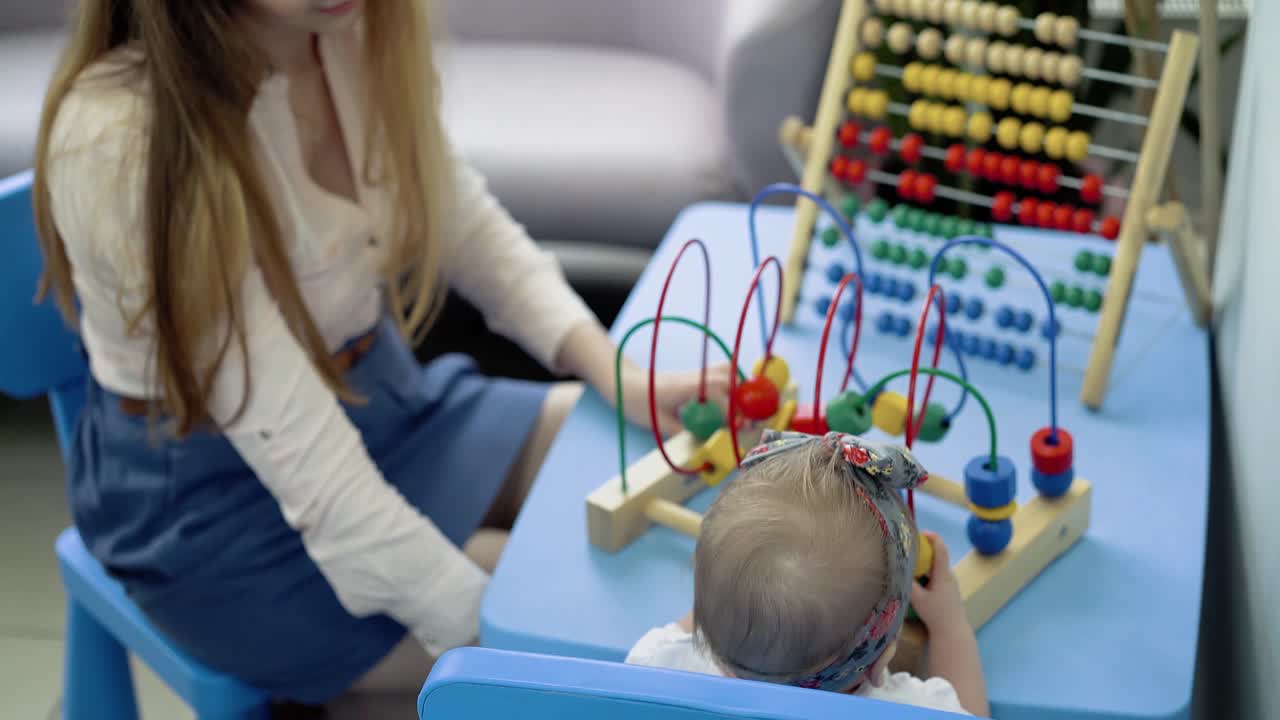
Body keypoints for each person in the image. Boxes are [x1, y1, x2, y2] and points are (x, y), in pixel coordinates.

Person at [33, 0, 728, 713]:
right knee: (605, 618)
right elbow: (327, 488)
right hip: (219, 515)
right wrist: (524, 659)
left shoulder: (342, 27)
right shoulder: (120, 140)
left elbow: (463, 220)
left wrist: (616, 371)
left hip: (383, 399)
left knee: (638, 469)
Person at [626, 431, 990, 717]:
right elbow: (970, 715)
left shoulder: (655, 670)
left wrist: (725, 585)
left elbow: (707, 614)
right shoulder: (914, 710)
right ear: (880, 663)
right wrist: (949, 627)